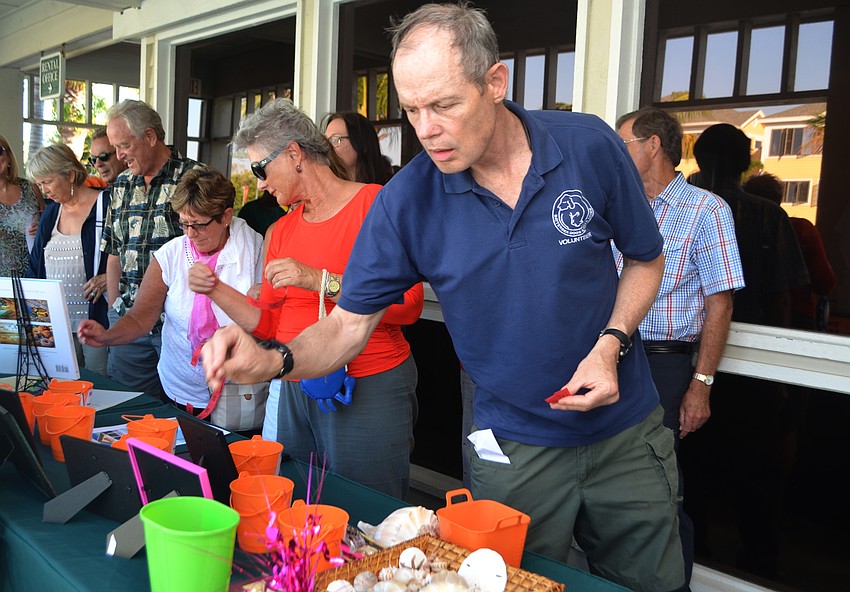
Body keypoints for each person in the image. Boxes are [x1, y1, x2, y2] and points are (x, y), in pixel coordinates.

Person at [201, 5, 683, 591]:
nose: (425, 128)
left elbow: (645, 258)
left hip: (625, 433)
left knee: (652, 585)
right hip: (512, 445)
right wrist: (272, 357)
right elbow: (348, 326)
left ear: (495, 84)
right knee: (513, 583)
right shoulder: (406, 202)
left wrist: (611, 343)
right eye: (410, 108)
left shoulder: (587, 146)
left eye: (444, 104)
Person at [190, 98, 423, 498]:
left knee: (368, 511)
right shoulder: (280, 230)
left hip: (366, 384)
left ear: (295, 154)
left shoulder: (373, 204)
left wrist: (320, 280)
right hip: (297, 382)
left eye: (261, 169)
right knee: (303, 504)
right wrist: (217, 292)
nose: (259, 183)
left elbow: (409, 304)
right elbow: (270, 325)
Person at [615, 108, 745, 587]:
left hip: (665, 367)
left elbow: (720, 304)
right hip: (616, 357)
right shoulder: (620, 206)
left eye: (623, 141)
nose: (617, 151)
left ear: (653, 146)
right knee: (615, 484)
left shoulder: (705, 210)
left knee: (660, 487)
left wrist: (701, 385)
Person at [684, 123, 809, 578]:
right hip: (750, 374)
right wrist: (778, 370)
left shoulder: (678, 206)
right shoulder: (766, 215)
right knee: (756, 473)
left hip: (686, 362)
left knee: (690, 469)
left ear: (697, 158)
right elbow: (782, 296)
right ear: (744, 163)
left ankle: (693, 558)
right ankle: (757, 563)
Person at [79, 167, 263, 413]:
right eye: (184, 223)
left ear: (226, 216)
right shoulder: (172, 254)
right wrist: (107, 336)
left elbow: (262, 320)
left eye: (198, 224)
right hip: (181, 386)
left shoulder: (254, 249)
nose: (190, 234)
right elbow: (140, 317)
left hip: (241, 390)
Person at [101, 100, 200, 398]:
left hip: (180, 324)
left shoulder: (196, 179)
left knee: (183, 416)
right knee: (126, 411)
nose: (119, 155)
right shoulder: (120, 186)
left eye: (124, 145)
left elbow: (213, 251)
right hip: (129, 322)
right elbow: (114, 251)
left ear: (150, 137)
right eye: (115, 147)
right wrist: (114, 308)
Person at [26, 143, 110, 375]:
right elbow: (35, 268)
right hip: (56, 325)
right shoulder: (52, 212)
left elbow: (127, 255)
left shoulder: (106, 204)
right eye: (40, 184)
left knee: (99, 384)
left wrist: (109, 276)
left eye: (48, 181)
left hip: (96, 319)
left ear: (70, 174)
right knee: (61, 386)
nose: (44, 191)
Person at [742, 172, 836, 330]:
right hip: (797, 317)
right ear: (779, 200)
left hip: (747, 314)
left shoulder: (737, 231)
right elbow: (824, 283)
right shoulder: (802, 230)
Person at [0, 135, 45, 276]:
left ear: (8, 155)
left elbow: (52, 223)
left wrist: (42, 228)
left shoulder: (30, 188)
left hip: (33, 275)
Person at [322, 111, 394, 184]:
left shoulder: (386, 190)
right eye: (325, 141)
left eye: (335, 139)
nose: (327, 147)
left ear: (362, 143)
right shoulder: (324, 192)